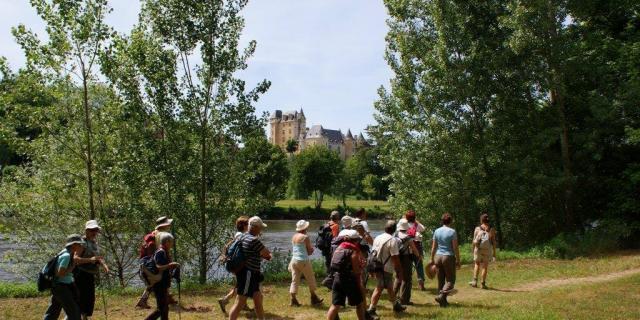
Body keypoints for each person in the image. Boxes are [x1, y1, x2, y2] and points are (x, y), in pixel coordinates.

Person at [229, 216, 272, 320]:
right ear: (256, 227)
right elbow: (267, 253)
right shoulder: (254, 240)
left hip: (248, 274)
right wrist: (266, 255)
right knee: (240, 302)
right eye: (260, 227)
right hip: (248, 274)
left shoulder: (242, 237)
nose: (261, 230)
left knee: (258, 299)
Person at [367, 220, 405, 319]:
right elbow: (395, 258)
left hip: (376, 265)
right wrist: (399, 271)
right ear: (394, 230)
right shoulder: (392, 240)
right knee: (379, 288)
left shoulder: (378, 237)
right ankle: (371, 309)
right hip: (385, 268)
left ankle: (396, 305)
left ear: (385, 228)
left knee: (389, 287)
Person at [326, 230, 366, 320]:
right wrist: (362, 267)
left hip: (337, 278)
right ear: (355, 240)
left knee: (335, 305)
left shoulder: (339, 247)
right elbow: (356, 271)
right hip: (349, 280)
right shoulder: (353, 251)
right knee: (359, 304)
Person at [136, 216, 175, 309]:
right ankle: (164, 299)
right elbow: (157, 253)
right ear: (164, 225)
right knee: (159, 280)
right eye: (168, 224)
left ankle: (166, 298)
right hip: (151, 263)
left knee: (154, 282)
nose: (169, 226)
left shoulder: (153, 234)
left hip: (146, 262)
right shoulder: (160, 236)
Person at [74, 220, 109, 320]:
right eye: (92, 230)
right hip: (80, 274)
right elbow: (75, 259)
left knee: (90, 298)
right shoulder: (82, 243)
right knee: (82, 298)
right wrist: (90, 260)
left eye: (96, 230)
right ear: (86, 230)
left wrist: (104, 265)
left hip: (89, 274)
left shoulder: (93, 242)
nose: (94, 232)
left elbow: (97, 257)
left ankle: (85, 317)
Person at [43, 234, 85, 320]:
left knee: (53, 311)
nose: (81, 246)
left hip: (58, 286)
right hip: (61, 287)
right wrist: (73, 265)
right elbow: (60, 273)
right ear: (73, 244)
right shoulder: (66, 256)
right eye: (79, 244)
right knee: (74, 312)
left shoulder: (64, 252)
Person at [218, 216, 252, 314]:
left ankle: (241, 304)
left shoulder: (240, 234)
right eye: (248, 224)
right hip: (238, 265)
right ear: (244, 225)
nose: (249, 226)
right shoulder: (240, 235)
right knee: (241, 286)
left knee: (240, 286)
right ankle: (224, 300)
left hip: (237, 265)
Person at [145, 232, 180, 320]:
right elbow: (158, 267)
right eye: (171, 242)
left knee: (165, 308)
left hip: (163, 283)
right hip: (159, 284)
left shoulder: (164, 251)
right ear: (167, 242)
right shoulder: (160, 252)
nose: (172, 244)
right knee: (161, 309)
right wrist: (170, 265)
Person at [289, 220, 323, 306]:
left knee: (294, 280)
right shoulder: (305, 237)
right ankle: (314, 298)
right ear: (305, 228)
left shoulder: (294, 236)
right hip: (303, 260)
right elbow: (309, 252)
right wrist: (312, 250)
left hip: (294, 260)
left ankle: (293, 300)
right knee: (310, 278)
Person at [430, 213, 461, 307]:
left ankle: (443, 302)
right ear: (450, 221)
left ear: (442, 221)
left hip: (438, 256)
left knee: (440, 280)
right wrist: (458, 260)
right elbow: (455, 247)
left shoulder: (437, 231)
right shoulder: (452, 232)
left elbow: (434, 247)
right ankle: (441, 296)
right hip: (448, 257)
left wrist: (432, 259)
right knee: (451, 280)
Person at [393, 218, 421, 306]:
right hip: (405, 258)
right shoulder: (408, 237)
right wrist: (419, 256)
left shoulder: (395, 234)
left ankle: (392, 296)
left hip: (396, 257)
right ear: (407, 227)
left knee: (398, 277)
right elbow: (414, 249)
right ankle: (404, 300)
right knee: (407, 279)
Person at [469, 213, 497, 289]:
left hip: (478, 249)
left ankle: (474, 282)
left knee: (477, 264)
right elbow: (493, 242)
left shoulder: (477, 228)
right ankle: (483, 284)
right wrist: (494, 253)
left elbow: (474, 240)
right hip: (487, 249)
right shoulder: (492, 229)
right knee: (485, 266)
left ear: (481, 220)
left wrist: (473, 249)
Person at [405, 210, 427, 291]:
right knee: (419, 266)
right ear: (414, 217)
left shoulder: (404, 225)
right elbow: (423, 229)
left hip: (407, 249)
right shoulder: (417, 224)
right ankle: (421, 284)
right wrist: (416, 221)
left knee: (408, 266)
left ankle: (408, 284)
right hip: (417, 248)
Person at [320, 211, 340, 286]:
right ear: (337, 217)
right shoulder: (335, 225)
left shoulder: (326, 224)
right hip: (331, 249)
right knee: (332, 265)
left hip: (325, 248)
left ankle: (329, 281)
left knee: (328, 264)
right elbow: (335, 239)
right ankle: (327, 281)